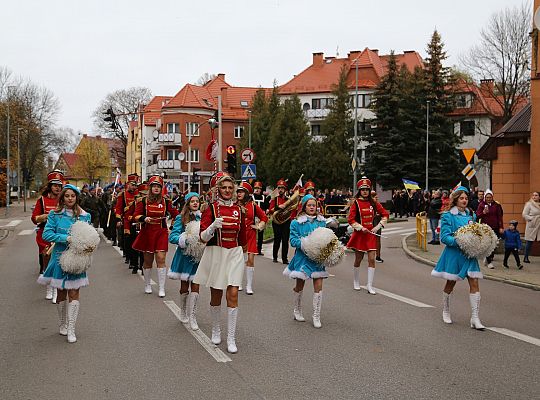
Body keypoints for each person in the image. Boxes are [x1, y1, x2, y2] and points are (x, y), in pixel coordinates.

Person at [193, 172, 246, 354]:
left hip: (235, 254)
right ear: (218, 190)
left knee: (232, 294)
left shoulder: (239, 210)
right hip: (216, 253)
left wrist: (244, 255)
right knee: (216, 294)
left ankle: (231, 337)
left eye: (230, 187)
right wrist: (212, 226)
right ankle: (216, 328)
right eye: (224, 187)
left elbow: (243, 237)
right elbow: (202, 237)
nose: (227, 190)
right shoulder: (211, 209)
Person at [37, 184, 92, 343]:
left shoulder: (84, 216)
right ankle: (63, 324)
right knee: (61, 292)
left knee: (74, 292)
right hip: (60, 257)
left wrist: (89, 245)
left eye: (72, 196)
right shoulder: (55, 214)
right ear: (62, 198)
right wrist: (65, 238)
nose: (70, 198)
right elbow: (47, 234)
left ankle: (72, 328)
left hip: (77, 259)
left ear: (76, 198)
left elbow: (88, 235)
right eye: (67, 196)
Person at [431, 186, 485, 329]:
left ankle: (475, 318)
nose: (464, 200)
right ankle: (446, 310)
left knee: (474, 282)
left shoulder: (471, 215)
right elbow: (444, 237)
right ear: (455, 200)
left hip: (469, 254)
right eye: (461, 198)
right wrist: (460, 241)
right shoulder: (448, 215)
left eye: (466, 198)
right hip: (454, 255)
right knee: (451, 283)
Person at [283, 194, 329, 328]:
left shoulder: (321, 221)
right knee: (299, 285)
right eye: (309, 205)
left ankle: (316, 315)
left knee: (319, 286)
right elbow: (293, 241)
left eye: (314, 205)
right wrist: (307, 244)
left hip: (317, 259)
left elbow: (326, 237)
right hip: (302, 258)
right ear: (304, 206)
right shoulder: (296, 222)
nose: (312, 207)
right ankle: (297, 310)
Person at [132, 175, 179, 297]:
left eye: (159, 186)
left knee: (161, 258)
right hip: (147, 231)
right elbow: (135, 216)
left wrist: (174, 226)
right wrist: (144, 218)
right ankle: (147, 284)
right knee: (148, 261)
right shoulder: (142, 201)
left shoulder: (166, 201)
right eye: (154, 186)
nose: (156, 189)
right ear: (150, 188)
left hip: (161, 231)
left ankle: (162, 287)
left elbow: (176, 214)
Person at [347, 177, 389, 294]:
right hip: (360, 234)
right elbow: (350, 219)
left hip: (371, 234)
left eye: (367, 189)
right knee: (358, 259)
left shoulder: (373, 202)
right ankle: (356, 281)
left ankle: (370, 285)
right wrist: (360, 227)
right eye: (362, 189)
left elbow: (385, 214)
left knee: (371, 259)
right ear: (359, 191)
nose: (365, 191)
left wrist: (378, 226)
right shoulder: (355, 203)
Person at [168, 192, 202, 330]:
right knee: (184, 286)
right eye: (192, 201)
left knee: (196, 285)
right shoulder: (180, 218)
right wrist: (185, 239)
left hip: (198, 257)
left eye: (197, 201)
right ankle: (183, 311)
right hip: (184, 256)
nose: (195, 203)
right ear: (187, 204)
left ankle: (192, 316)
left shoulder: (203, 217)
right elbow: (173, 237)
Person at [31, 170, 64, 302]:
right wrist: (46, 217)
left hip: (60, 235)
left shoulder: (64, 199)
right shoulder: (42, 200)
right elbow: (34, 218)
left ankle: (56, 289)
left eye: (59, 185)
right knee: (47, 261)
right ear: (50, 186)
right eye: (55, 185)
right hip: (45, 235)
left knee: (57, 263)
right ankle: (49, 288)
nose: (57, 188)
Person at [236, 181, 268, 295]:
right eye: (238, 191)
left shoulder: (253, 206)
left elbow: (264, 217)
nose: (239, 194)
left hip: (250, 234)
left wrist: (259, 226)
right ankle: (238, 282)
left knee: (250, 260)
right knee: (239, 261)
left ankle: (249, 285)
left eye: (241, 192)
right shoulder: (234, 204)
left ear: (247, 193)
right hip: (238, 236)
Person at [115, 174, 139, 270]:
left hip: (137, 220)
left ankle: (136, 261)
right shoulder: (123, 194)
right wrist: (118, 219)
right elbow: (119, 208)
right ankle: (129, 257)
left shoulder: (139, 194)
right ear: (128, 184)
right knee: (128, 241)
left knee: (136, 241)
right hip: (126, 220)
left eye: (135, 185)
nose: (134, 187)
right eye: (132, 185)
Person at [476, 189, 504, 269]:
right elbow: (478, 215)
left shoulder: (496, 205)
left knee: (494, 244)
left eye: (490, 197)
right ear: (485, 197)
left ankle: (488, 257)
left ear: (492, 197)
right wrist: (483, 213)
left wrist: (501, 227)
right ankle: (489, 261)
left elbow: (500, 216)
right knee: (488, 244)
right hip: (486, 227)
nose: (488, 199)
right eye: (487, 197)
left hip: (495, 226)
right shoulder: (482, 205)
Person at [268, 179, 292, 264]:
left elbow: (291, 210)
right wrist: (278, 207)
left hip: (286, 221)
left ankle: (284, 259)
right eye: (279, 188)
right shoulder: (275, 199)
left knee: (285, 240)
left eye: (282, 188)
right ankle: (275, 257)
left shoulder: (289, 199)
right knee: (277, 239)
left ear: (285, 189)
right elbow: (270, 210)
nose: (280, 190)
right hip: (276, 222)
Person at [522, 191, 540, 263]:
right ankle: (525, 257)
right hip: (532, 224)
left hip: (539, 225)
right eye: (533, 195)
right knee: (529, 241)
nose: (534, 196)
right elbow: (524, 214)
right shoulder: (529, 204)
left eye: (536, 195)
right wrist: (531, 219)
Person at [252, 181, 268, 255]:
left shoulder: (264, 197)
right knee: (253, 235)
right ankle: (253, 249)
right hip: (253, 218)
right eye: (256, 188)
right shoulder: (251, 197)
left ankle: (259, 250)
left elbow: (266, 207)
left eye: (258, 188)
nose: (257, 190)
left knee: (261, 235)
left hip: (261, 219)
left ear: (261, 189)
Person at [371, 190, 384, 263]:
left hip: (377, 224)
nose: (377, 198)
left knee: (377, 241)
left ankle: (378, 256)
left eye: (377, 197)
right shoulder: (368, 204)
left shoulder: (378, 204)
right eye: (375, 197)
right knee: (370, 241)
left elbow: (383, 212)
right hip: (370, 225)